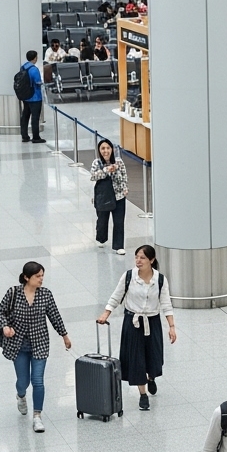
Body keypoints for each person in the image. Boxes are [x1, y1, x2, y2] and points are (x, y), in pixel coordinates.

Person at [97, 245, 177, 412]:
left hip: (152, 322)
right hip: (132, 322)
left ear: (151, 260)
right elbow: (116, 296)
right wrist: (106, 313)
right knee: (137, 359)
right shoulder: (128, 276)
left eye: (142, 258)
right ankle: (143, 394)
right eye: (136, 257)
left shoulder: (160, 280)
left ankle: (151, 377)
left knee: (153, 357)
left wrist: (171, 326)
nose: (138, 261)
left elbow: (166, 303)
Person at [0, 261, 71, 433]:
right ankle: (21, 396)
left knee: (38, 381)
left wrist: (64, 335)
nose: (41, 279)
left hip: (40, 343)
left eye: (42, 275)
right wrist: (5, 326)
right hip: (18, 345)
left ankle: (37, 416)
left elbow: (54, 316)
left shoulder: (45, 294)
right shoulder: (13, 293)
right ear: (27, 277)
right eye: (38, 276)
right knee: (23, 382)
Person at [90, 138, 128, 253]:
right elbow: (93, 176)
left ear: (112, 149)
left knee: (119, 221)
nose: (105, 151)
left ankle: (118, 246)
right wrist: (106, 170)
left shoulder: (119, 162)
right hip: (104, 196)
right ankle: (101, 238)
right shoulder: (96, 163)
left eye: (108, 148)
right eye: (102, 148)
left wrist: (125, 187)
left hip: (119, 196)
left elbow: (124, 175)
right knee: (102, 219)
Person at [19, 50, 45, 143]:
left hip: (26, 96)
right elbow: (38, 82)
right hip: (35, 97)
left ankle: (24, 136)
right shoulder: (34, 69)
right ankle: (36, 137)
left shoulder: (23, 67)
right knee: (35, 117)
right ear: (35, 58)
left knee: (25, 116)